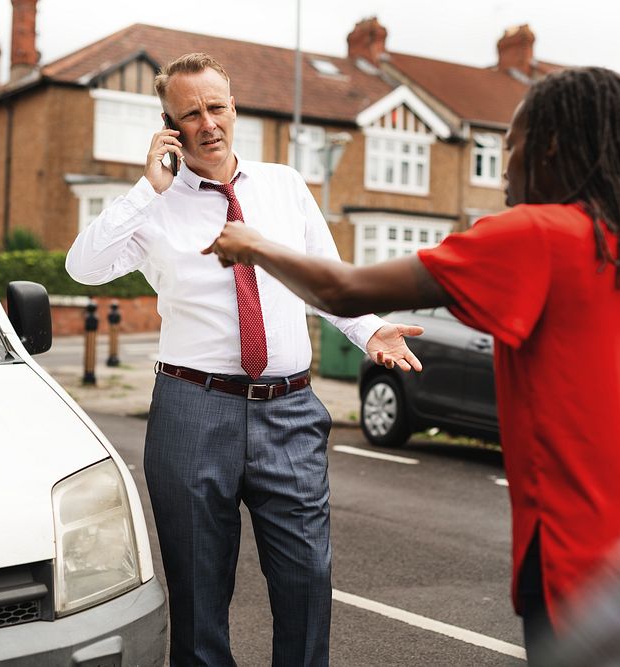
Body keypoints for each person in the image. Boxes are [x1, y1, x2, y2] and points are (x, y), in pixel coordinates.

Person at [204, 66, 620, 666]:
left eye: (509, 147)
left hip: (582, 572)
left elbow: (343, 290)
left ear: (549, 148)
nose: (506, 169)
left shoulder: (534, 236)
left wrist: (251, 243)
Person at [65, 52, 422, 667]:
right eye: (192, 113)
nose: (208, 123)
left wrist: (369, 332)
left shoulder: (284, 186)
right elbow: (84, 267)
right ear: (170, 124)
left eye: (218, 107)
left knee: (307, 581)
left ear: (235, 110)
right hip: (192, 413)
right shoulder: (154, 206)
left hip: (289, 412)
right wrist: (146, 188)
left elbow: (328, 283)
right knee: (201, 599)